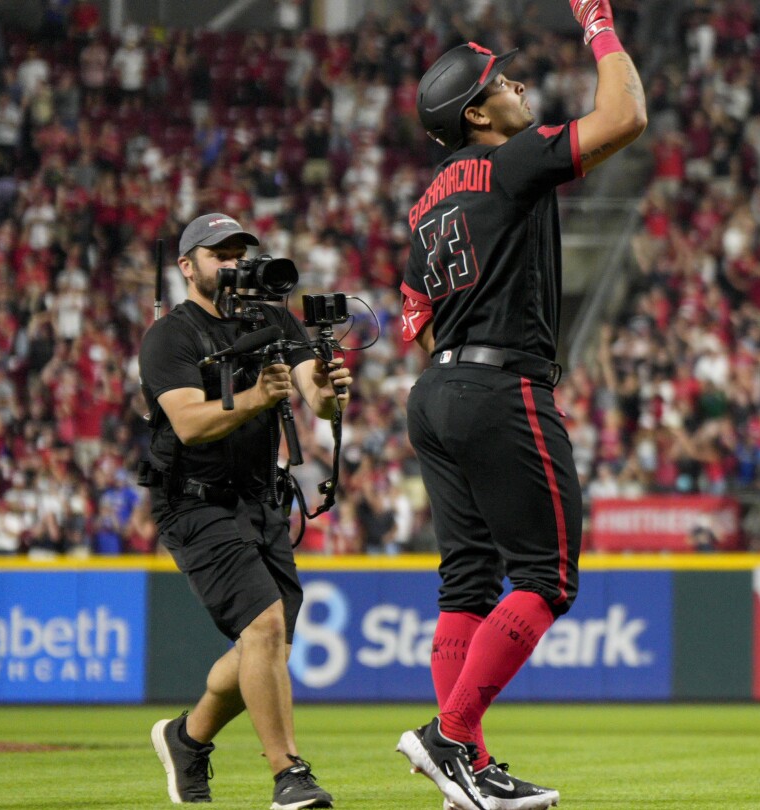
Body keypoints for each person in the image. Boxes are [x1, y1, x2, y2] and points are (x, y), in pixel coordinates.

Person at [392, 2, 646, 808]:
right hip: (502, 384)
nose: (520, 83)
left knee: (467, 581)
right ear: (477, 112)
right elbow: (625, 116)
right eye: (505, 79)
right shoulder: (510, 160)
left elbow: (411, 317)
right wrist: (598, 23)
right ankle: (452, 735)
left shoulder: (427, 202)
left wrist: (457, 374)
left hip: (435, 392)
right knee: (548, 574)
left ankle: (462, 769)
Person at [140, 213, 351, 809]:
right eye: (219, 254)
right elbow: (188, 423)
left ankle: (187, 739)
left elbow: (318, 397)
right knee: (262, 626)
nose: (233, 264)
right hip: (194, 499)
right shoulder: (170, 337)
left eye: (241, 253)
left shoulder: (275, 317)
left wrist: (332, 392)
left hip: (261, 498)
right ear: (187, 266)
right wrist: (260, 394)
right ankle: (288, 773)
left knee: (270, 644)